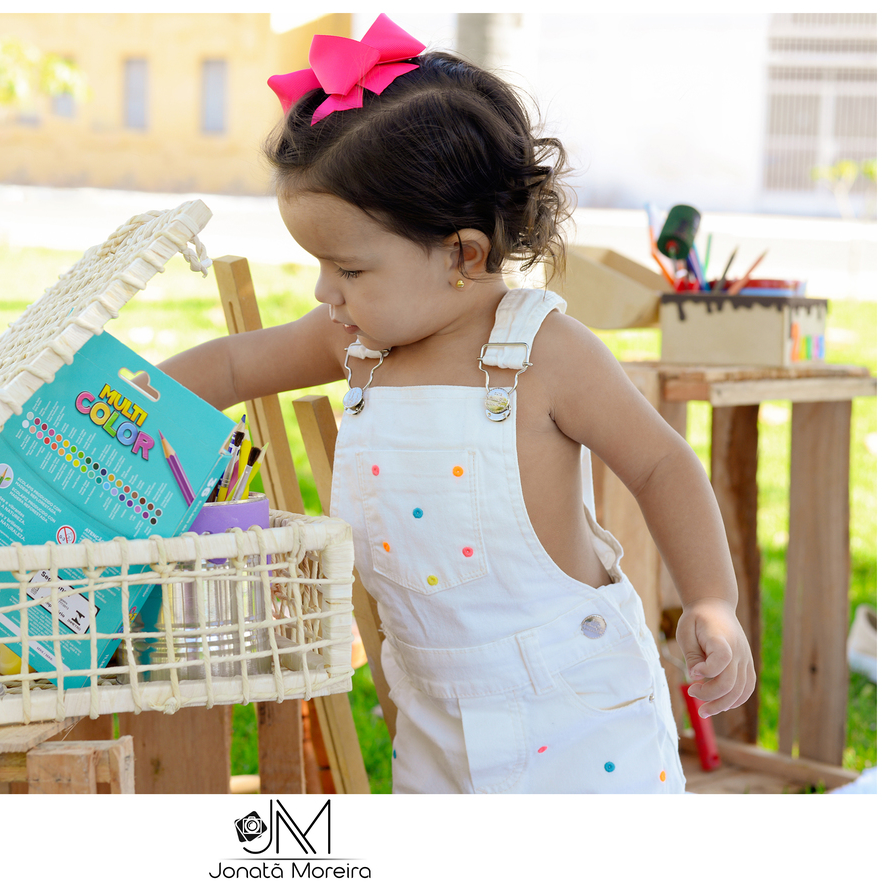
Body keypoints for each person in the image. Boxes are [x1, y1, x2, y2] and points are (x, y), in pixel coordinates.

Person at [159, 14, 754, 793]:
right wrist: (117, 405)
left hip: (579, 721)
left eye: (349, 269)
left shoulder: (545, 353)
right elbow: (235, 363)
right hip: (434, 720)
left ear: (463, 255)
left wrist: (711, 600)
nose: (325, 290)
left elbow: (661, 465)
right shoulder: (356, 341)